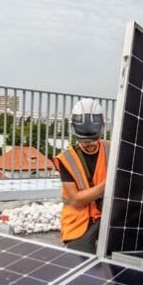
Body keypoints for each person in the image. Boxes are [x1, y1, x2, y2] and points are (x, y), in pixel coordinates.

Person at [52, 99, 111, 253]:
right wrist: (107, 185)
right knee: (81, 261)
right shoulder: (66, 159)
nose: (90, 144)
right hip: (78, 223)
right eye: (84, 141)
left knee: (122, 251)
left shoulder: (112, 149)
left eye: (93, 139)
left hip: (110, 215)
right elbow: (76, 200)